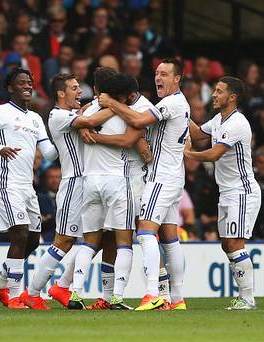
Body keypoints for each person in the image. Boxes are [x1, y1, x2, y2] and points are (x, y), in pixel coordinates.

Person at [19, 72, 117, 310]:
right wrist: (119, 105)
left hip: (90, 183)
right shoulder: (57, 116)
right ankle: (32, 293)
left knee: (99, 238)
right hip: (73, 183)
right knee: (64, 240)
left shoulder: (73, 113)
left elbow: (87, 119)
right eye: (74, 88)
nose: (79, 91)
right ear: (61, 93)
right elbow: (90, 122)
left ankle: (62, 286)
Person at [98, 58, 190, 311]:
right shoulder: (179, 103)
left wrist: (112, 103)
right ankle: (177, 298)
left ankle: (152, 294)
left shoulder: (171, 103)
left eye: (164, 74)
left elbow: (138, 122)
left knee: (146, 232)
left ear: (177, 79)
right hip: (174, 176)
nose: (158, 77)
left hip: (161, 177)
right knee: (170, 238)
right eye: (157, 73)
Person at [0, 67, 58, 309]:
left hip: (26, 185)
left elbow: (50, 153)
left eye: (30, 82)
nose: (27, 86)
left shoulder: (35, 119)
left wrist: (66, 137)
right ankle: (12, 295)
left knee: (32, 240)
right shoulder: (0, 112)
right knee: (20, 234)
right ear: (10, 87)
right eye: (21, 82)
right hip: (6, 182)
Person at [68, 72, 144, 311]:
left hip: (89, 181)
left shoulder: (86, 113)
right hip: (116, 181)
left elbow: (80, 122)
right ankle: (117, 298)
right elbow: (127, 141)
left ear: (96, 88)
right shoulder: (124, 112)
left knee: (89, 242)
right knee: (124, 243)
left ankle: (75, 294)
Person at [186, 76, 261, 310]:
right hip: (227, 192)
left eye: (219, 91)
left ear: (232, 97)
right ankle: (244, 296)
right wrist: (181, 113)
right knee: (227, 244)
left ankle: (247, 299)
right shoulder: (219, 119)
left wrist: (187, 154)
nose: (214, 95)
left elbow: (213, 154)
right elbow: (199, 134)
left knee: (235, 243)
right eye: (214, 90)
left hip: (242, 191)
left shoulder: (237, 123)